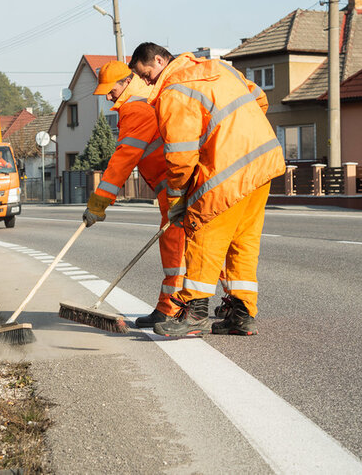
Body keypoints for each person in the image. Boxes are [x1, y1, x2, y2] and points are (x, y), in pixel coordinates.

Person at [129, 42, 285, 337]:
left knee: (203, 236)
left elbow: (180, 156)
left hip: (226, 170)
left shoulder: (174, 91)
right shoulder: (219, 69)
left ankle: (195, 314)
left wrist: (176, 200)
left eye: (146, 73)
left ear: (160, 60)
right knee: (243, 242)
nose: (147, 81)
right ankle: (242, 315)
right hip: (263, 161)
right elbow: (259, 100)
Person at [82, 60, 186, 327]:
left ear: (127, 82)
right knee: (204, 246)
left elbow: (123, 160)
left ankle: (170, 309)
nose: (107, 96)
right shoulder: (148, 100)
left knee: (175, 250)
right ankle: (233, 305)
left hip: (176, 189)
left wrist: (99, 203)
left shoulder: (136, 109)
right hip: (183, 186)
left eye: (110, 90)